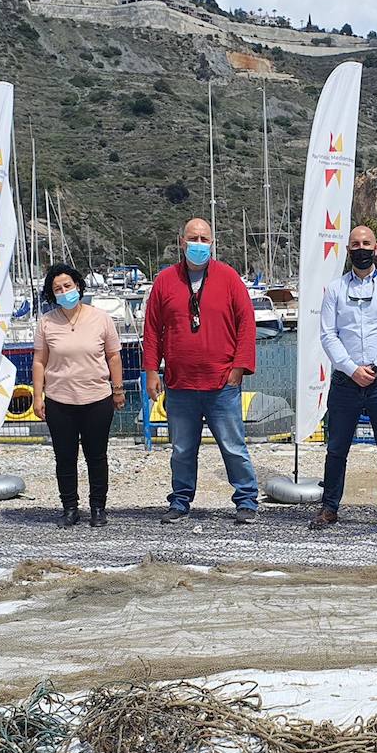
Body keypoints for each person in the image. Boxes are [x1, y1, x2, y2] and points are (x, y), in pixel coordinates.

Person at [142, 217, 258, 524]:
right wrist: (151, 371)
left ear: (212, 243)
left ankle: (246, 499)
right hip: (180, 384)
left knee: (233, 447)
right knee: (181, 449)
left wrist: (239, 368)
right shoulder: (165, 281)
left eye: (204, 239)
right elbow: (152, 329)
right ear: (182, 242)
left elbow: (246, 323)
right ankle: (180, 501)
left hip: (222, 383)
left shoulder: (229, 278)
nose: (198, 244)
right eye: (193, 238)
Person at [312, 225, 377, 532]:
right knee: (336, 449)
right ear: (348, 250)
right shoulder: (335, 290)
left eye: (366, 243)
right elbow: (328, 335)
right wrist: (351, 368)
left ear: (376, 248)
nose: (361, 248)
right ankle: (329, 508)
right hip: (345, 381)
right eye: (355, 244)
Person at [33, 263, 125, 526]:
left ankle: (98, 507)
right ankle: (69, 507)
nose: (64, 291)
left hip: (97, 398)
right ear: (52, 294)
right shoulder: (46, 322)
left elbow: (114, 356)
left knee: (97, 456)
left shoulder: (101, 318)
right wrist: (38, 396)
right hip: (59, 400)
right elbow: (39, 361)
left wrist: (117, 390)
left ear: (78, 286)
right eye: (57, 289)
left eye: (67, 286)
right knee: (64, 457)